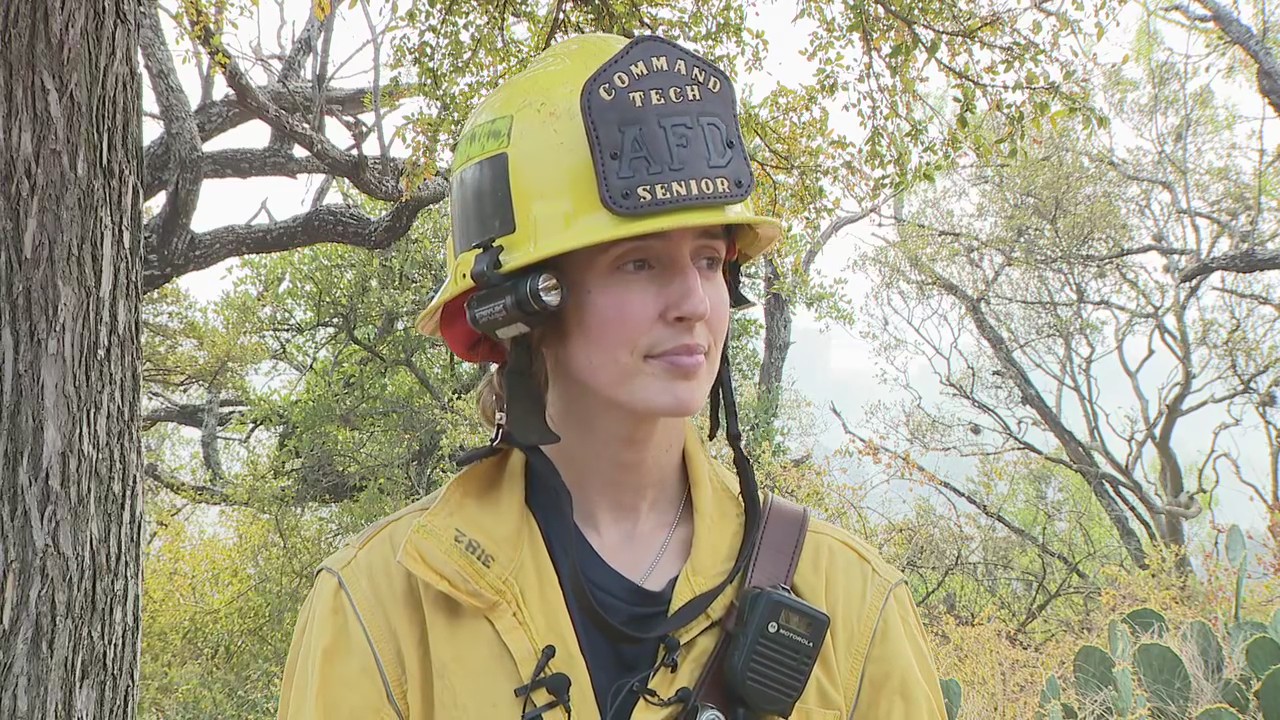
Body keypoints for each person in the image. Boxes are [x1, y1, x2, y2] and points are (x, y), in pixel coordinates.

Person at [276, 32, 946, 720]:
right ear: (524, 306)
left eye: (710, 261)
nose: (693, 303)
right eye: (640, 263)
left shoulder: (847, 604)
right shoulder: (385, 608)